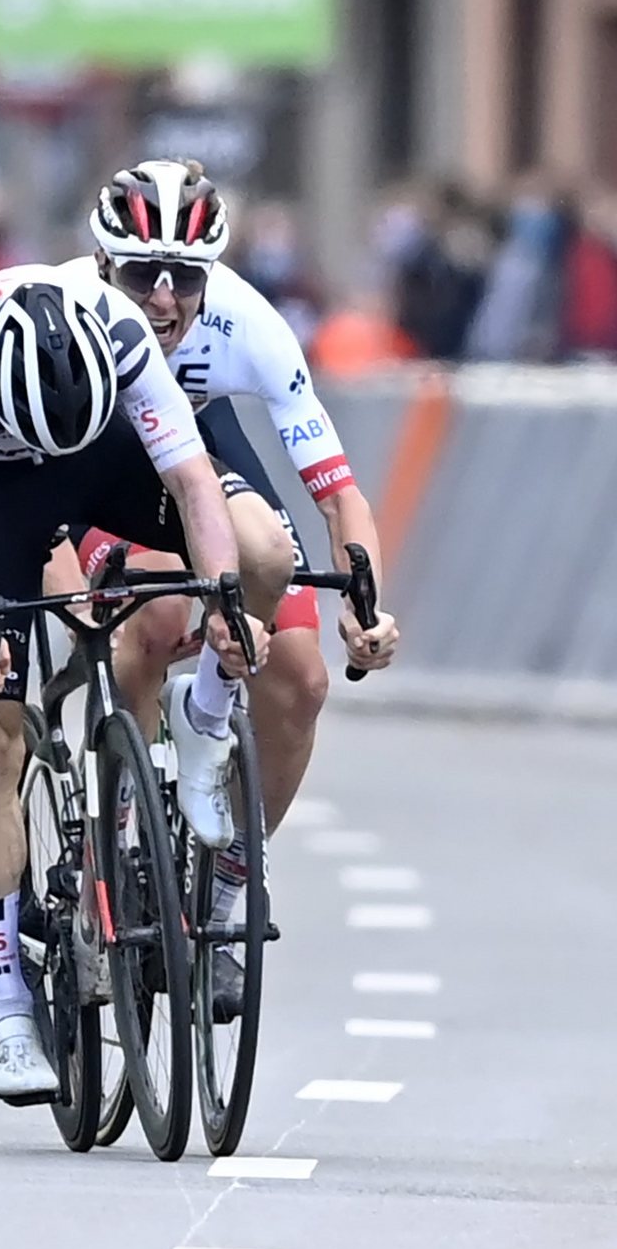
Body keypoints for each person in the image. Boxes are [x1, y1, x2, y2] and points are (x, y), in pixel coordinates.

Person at [0, 261, 295, 1101]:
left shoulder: (123, 333)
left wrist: (220, 603)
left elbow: (190, 480)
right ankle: (9, 1010)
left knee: (249, 553)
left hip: (104, 450)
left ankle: (204, 714)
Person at [56, 159, 402, 1014]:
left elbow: (338, 493)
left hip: (203, 455)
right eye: (143, 275)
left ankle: (226, 885)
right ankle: (118, 849)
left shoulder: (251, 324)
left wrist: (366, 608)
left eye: (185, 277)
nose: (165, 298)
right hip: (94, 465)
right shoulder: (62, 315)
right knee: (153, 620)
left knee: (302, 679)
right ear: (104, 267)